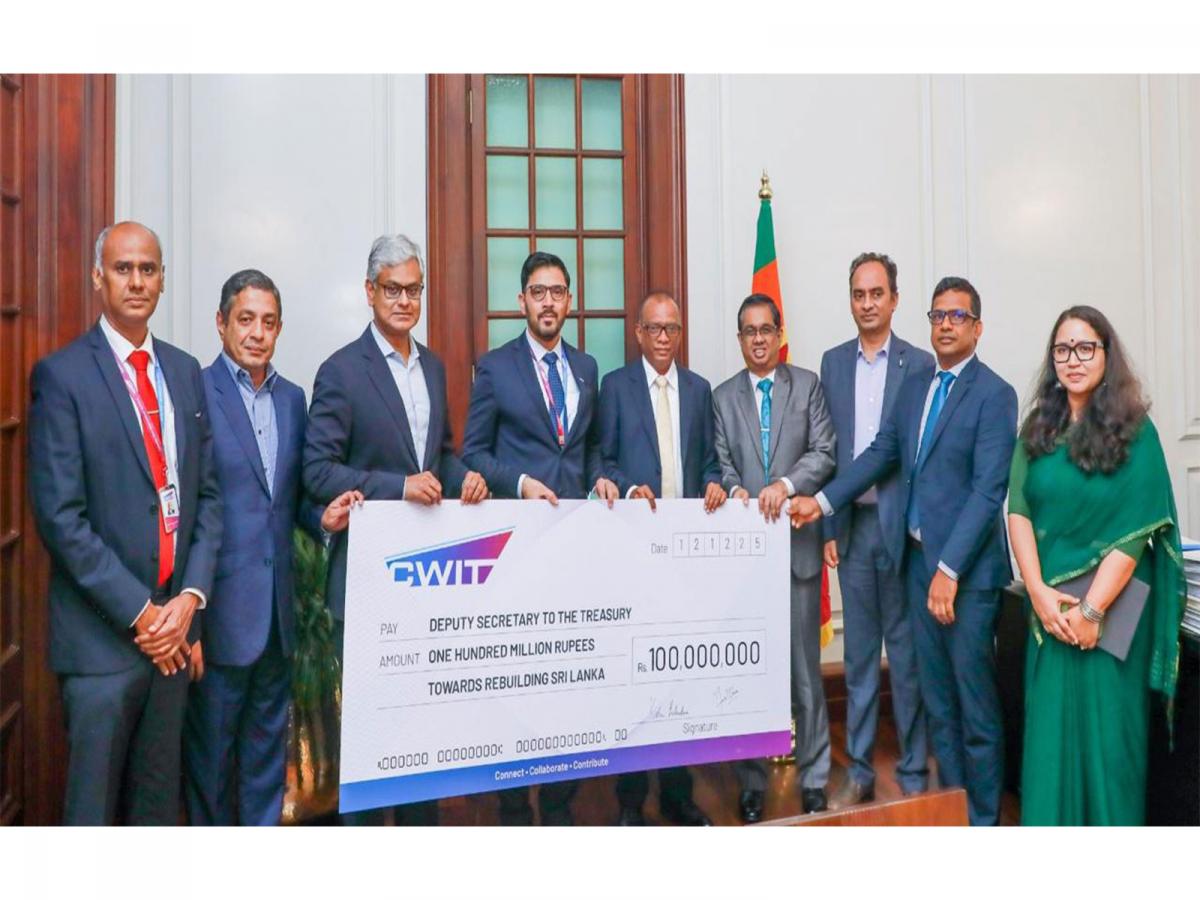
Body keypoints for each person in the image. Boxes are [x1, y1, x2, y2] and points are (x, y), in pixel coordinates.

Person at [791, 276, 1017, 826]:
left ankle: (985, 823)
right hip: (917, 566)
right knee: (937, 701)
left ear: (977, 328)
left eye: (958, 316)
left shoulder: (995, 394)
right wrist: (820, 502)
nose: (946, 325)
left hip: (966, 577)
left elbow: (988, 492)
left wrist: (949, 569)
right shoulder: (917, 387)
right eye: (938, 315)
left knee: (974, 705)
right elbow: (877, 455)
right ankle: (954, 810)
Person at [28, 221, 223, 824]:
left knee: (155, 812)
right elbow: (61, 519)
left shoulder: (185, 372)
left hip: (172, 641)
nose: (136, 281)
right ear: (98, 278)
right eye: (123, 268)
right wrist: (145, 615)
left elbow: (207, 498)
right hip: (103, 646)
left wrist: (188, 603)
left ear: (163, 280)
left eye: (148, 269)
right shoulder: (62, 377)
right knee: (92, 816)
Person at [303, 234, 488, 825]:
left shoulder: (432, 366)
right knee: (367, 744)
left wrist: (466, 478)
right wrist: (398, 486)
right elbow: (317, 470)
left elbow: (442, 456)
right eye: (393, 290)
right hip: (365, 583)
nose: (405, 301)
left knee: (419, 739)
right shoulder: (340, 371)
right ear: (369, 292)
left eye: (414, 290)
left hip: (425, 584)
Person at [183, 269, 360, 826]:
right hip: (218, 617)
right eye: (245, 320)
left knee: (264, 764)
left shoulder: (292, 399)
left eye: (268, 322)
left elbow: (291, 499)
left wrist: (322, 517)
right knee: (211, 765)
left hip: (277, 618)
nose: (257, 333)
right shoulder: (196, 393)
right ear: (221, 323)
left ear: (279, 328)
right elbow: (189, 514)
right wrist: (191, 623)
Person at [1007, 305, 1185, 826]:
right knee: (1050, 748)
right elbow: (1018, 511)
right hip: (1050, 617)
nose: (1074, 359)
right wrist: (1039, 594)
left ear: (1107, 355)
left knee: (1109, 751)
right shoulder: (1037, 429)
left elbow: (1135, 532)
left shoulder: (1136, 433)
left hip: (1110, 619)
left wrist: (1090, 611)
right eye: (1063, 349)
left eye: (1086, 348)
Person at [462, 250, 618, 825]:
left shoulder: (586, 367)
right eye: (537, 292)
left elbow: (589, 447)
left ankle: (559, 808)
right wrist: (520, 483)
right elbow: (472, 453)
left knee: (567, 682)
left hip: (575, 550)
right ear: (521, 301)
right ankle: (512, 810)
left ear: (569, 300)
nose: (548, 302)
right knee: (518, 682)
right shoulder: (494, 368)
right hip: (519, 550)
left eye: (557, 292)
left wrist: (602, 477)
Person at [597, 291, 728, 826]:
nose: (663, 338)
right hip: (634, 553)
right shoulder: (615, 387)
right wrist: (629, 491)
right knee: (634, 680)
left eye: (671, 328)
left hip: (685, 560)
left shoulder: (699, 389)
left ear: (680, 332)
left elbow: (710, 461)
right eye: (653, 328)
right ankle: (630, 802)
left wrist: (716, 483)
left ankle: (678, 794)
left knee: (680, 679)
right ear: (638, 333)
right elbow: (602, 459)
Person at [712, 293, 836, 823]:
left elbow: (825, 453)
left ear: (779, 334)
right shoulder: (722, 397)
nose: (759, 339)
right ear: (740, 338)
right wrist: (735, 490)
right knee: (748, 676)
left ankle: (814, 779)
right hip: (743, 562)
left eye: (767, 329)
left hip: (797, 551)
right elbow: (720, 462)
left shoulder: (807, 385)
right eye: (749, 331)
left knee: (806, 677)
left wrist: (784, 485)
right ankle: (751, 783)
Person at [819, 253, 933, 807]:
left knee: (906, 661)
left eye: (877, 293)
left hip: (902, 530)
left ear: (894, 299)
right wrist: (828, 526)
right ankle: (860, 769)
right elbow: (827, 450)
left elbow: (922, 452)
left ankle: (913, 772)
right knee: (859, 659)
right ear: (851, 300)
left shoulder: (921, 364)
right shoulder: (833, 363)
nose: (867, 303)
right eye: (859, 294)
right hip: (853, 527)